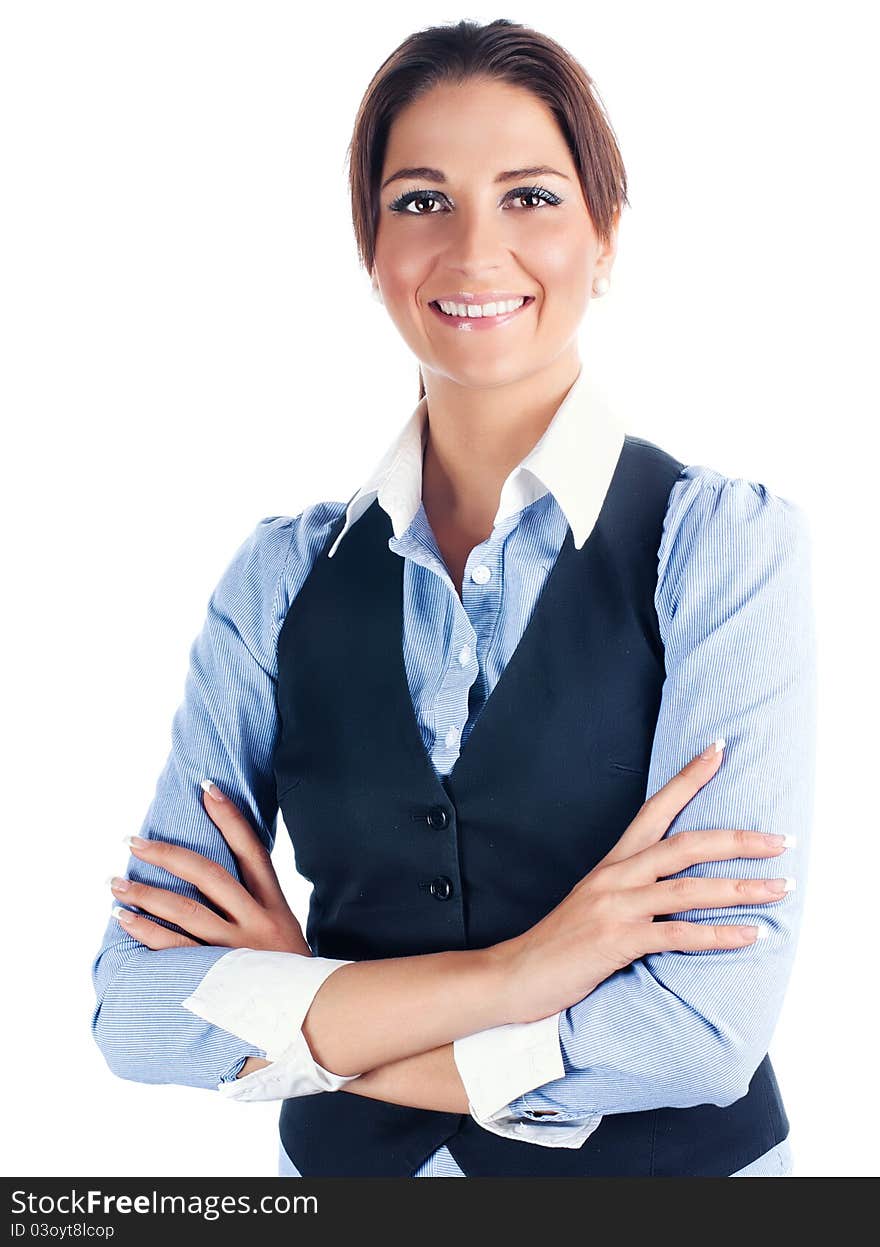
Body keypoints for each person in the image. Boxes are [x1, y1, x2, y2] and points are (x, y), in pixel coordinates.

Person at [91, 18, 814, 1179]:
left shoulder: (720, 548)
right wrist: (520, 977)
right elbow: (136, 1009)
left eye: (529, 196)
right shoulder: (279, 580)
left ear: (605, 235)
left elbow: (700, 1032)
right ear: (369, 249)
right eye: (421, 201)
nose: (475, 251)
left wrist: (313, 1021)